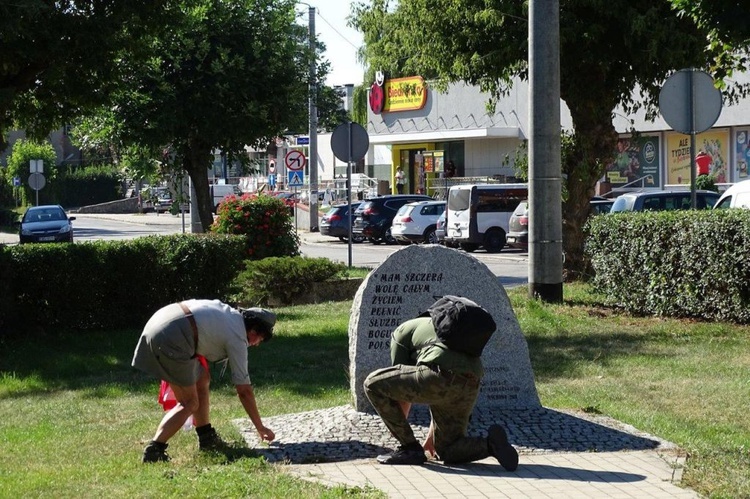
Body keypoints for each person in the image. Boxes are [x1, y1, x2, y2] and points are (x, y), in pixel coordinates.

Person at [363, 307, 519, 469]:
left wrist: (399, 429)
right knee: (447, 448)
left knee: (372, 384)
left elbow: (401, 396)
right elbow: (438, 397)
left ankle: (410, 449)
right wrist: (431, 440)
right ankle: (491, 445)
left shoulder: (401, 332)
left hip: (440, 376)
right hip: (471, 382)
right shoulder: (448, 331)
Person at [132, 299, 277, 463]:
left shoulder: (229, 315)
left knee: (202, 378)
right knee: (189, 403)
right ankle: (154, 449)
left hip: (161, 321)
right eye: (261, 340)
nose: (257, 345)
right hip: (172, 337)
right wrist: (260, 427)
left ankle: (206, 437)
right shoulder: (238, 336)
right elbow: (244, 391)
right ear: (255, 332)